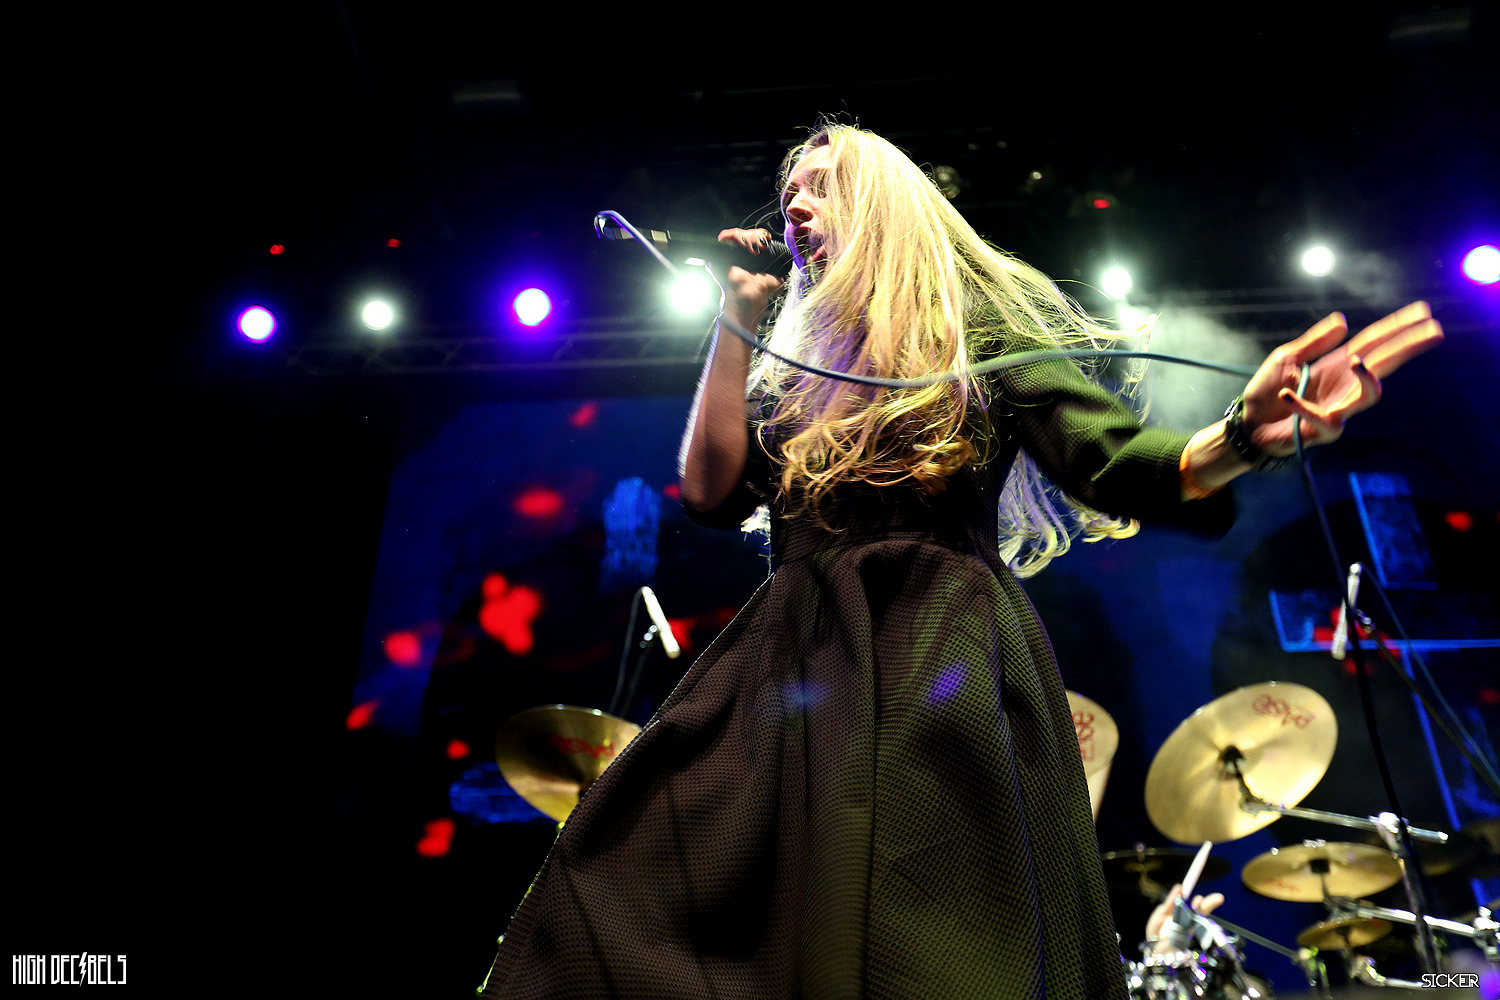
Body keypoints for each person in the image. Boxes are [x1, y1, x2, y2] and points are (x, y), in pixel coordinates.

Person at [477, 123, 1443, 999]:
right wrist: (734, 316)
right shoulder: (792, 366)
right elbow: (711, 494)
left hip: (936, 644)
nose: (794, 207)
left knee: (925, 929)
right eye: (789, 194)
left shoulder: (975, 332)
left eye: (821, 186)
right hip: (795, 656)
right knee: (628, 863)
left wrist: (1242, 436)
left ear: (882, 206)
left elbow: (1113, 461)